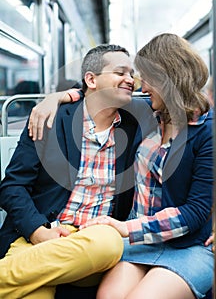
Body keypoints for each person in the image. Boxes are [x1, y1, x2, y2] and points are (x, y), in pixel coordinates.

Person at [29, 34, 214, 299]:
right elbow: (98, 91)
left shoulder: (208, 131)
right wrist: (56, 98)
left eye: (148, 78)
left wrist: (125, 227)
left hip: (189, 245)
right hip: (143, 242)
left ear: (169, 78)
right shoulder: (147, 114)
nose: (142, 86)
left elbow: (196, 211)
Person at [0, 44, 156, 299]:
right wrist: (38, 231)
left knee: (109, 244)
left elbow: (184, 100)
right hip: (42, 235)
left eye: (131, 74)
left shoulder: (137, 118)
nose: (130, 80)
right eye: (120, 72)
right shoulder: (50, 118)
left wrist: (61, 94)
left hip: (95, 241)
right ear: (91, 79)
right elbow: (12, 186)